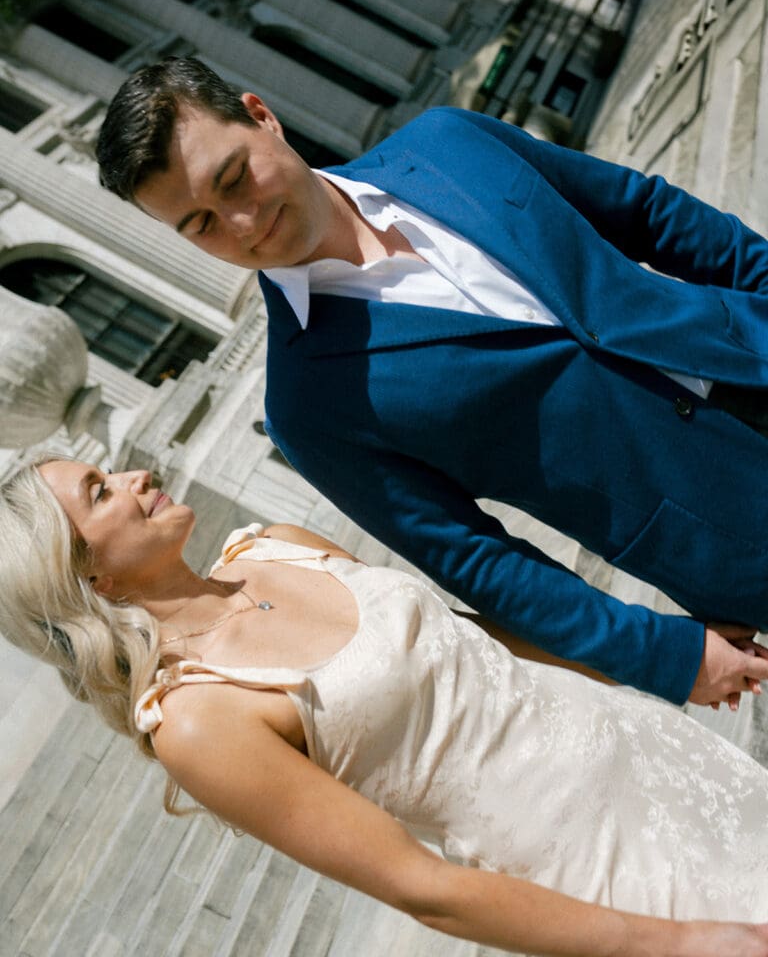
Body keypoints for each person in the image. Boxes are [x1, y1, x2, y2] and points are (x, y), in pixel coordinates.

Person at [95, 57, 768, 711]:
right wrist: (668, 655)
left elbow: (647, 213)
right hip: (731, 536)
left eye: (235, 178)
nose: (241, 222)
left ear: (262, 117)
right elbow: (479, 563)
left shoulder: (448, 140)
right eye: (202, 225)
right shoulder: (307, 407)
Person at [1, 458, 768, 956]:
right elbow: (420, 889)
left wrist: (668, 659)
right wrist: (686, 944)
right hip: (603, 866)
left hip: (663, 756)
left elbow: (477, 638)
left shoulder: (274, 542)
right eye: (102, 493)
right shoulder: (197, 720)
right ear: (85, 580)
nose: (135, 476)